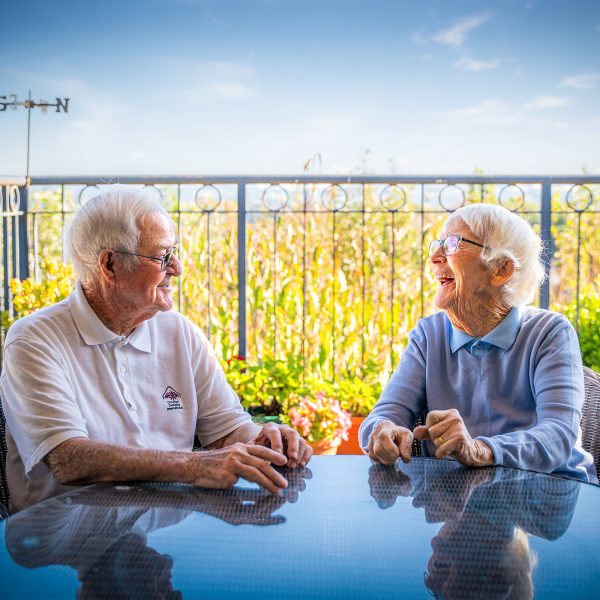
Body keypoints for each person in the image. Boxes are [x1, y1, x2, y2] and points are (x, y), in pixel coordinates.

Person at [0, 185, 312, 512]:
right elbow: (69, 458)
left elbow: (227, 429)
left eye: (174, 252)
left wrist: (261, 439)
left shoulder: (180, 333)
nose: (177, 267)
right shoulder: (35, 339)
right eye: (163, 255)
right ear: (110, 265)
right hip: (62, 542)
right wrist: (196, 465)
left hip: (163, 527)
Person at [360, 203, 597, 483]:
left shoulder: (549, 333)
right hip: (459, 495)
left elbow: (558, 436)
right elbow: (385, 414)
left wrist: (481, 449)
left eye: (452, 244)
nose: (435, 257)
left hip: (549, 498)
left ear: (500, 269)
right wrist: (383, 430)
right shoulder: (428, 335)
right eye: (437, 244)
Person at [367, 459, 580, 599]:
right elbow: (562, 453)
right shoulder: (546, 517)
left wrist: (398, 466)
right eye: (447, 598)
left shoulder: (426, 493)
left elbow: (416, 436)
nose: (430, 580)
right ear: (497, 581)